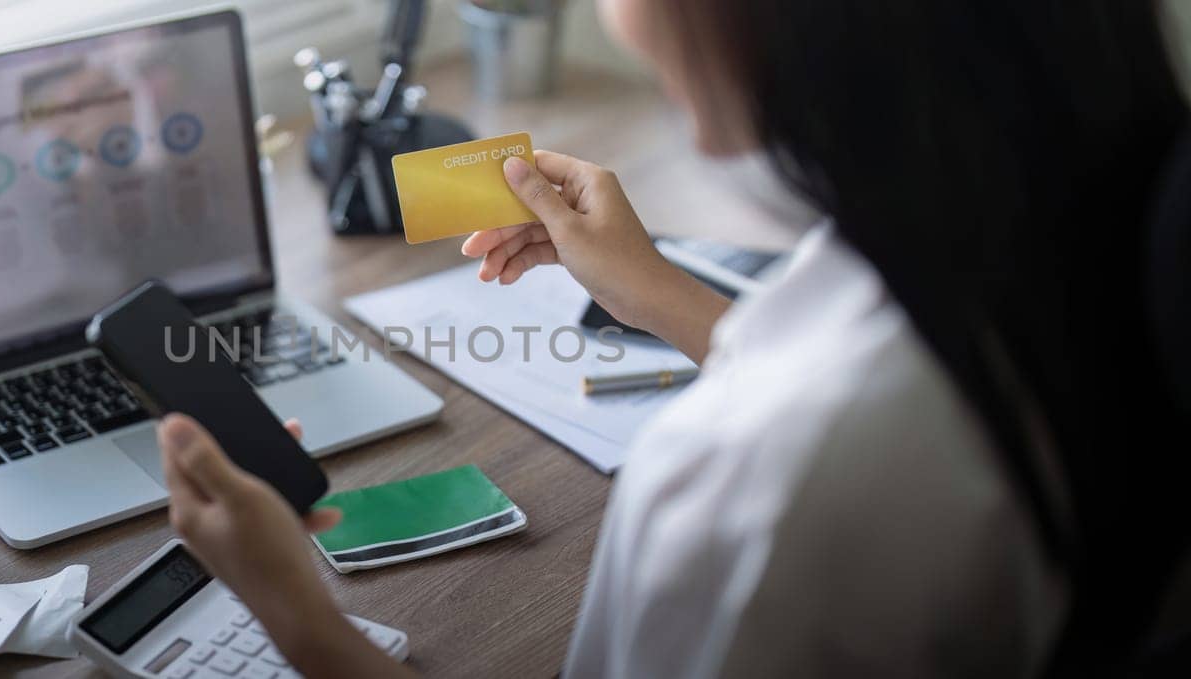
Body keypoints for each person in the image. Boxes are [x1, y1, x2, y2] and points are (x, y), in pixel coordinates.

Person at [153, 0, 1189, 676]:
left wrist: (294, 612)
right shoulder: (1114, 208)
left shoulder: (764, 482)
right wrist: (659, 296)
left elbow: (817, 444)